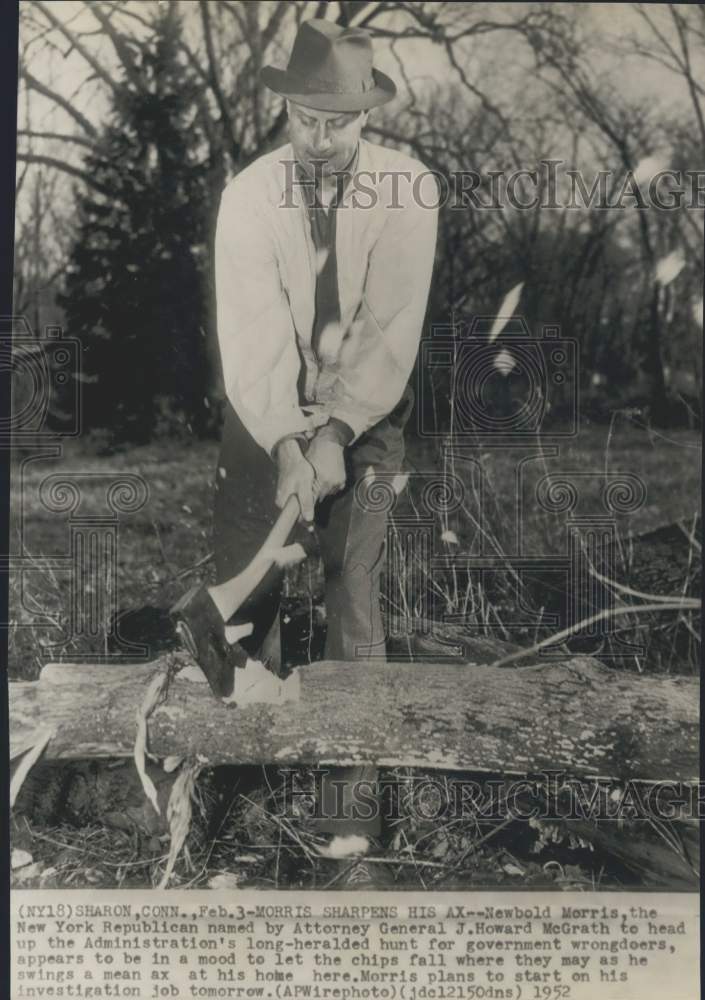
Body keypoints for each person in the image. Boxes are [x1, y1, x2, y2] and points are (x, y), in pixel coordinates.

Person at [174, 18, 438, 867]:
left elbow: (386, 330)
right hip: (263, 410)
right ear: (284, 108)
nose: (321, 140)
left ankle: (346, 802)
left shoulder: (409, 190)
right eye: (305, 121)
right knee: (247, 601)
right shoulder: (249, 196)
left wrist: (334, 433)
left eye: (340, 123)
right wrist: (289, 439)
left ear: (367, 116)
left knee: (348, 585)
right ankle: (241, 788)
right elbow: (251, 336)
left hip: (370, 411)